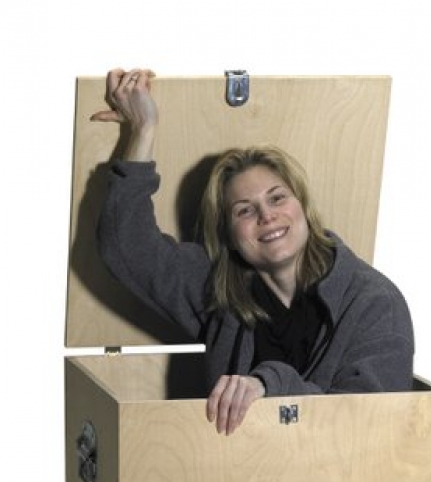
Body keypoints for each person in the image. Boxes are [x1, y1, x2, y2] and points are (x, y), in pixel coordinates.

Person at [92, 68, 414, 436]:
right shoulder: (220, 290)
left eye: (277, 198)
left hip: (335, 473)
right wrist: (142, 129)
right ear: (229, 235)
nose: (267, 216)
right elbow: (127, 247)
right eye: (244, 210)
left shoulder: (374, 303)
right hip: (231, 470)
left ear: (303, 207)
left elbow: (367, 428)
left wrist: (269, 383)